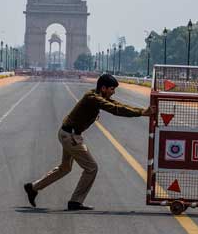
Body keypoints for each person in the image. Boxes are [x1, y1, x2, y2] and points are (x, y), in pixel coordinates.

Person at [24, 74, 156, 210]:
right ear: (103, 88)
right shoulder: (92, 98)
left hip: (68, 134)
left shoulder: (97, 96)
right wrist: (141, 113)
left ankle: (33, 187)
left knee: (65, 168)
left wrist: (141, 111)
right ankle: (75, 202)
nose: (113, 92)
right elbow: (115, 109)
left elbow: (117, 104)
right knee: (92, 168)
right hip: (71, 136)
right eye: (112, 89)